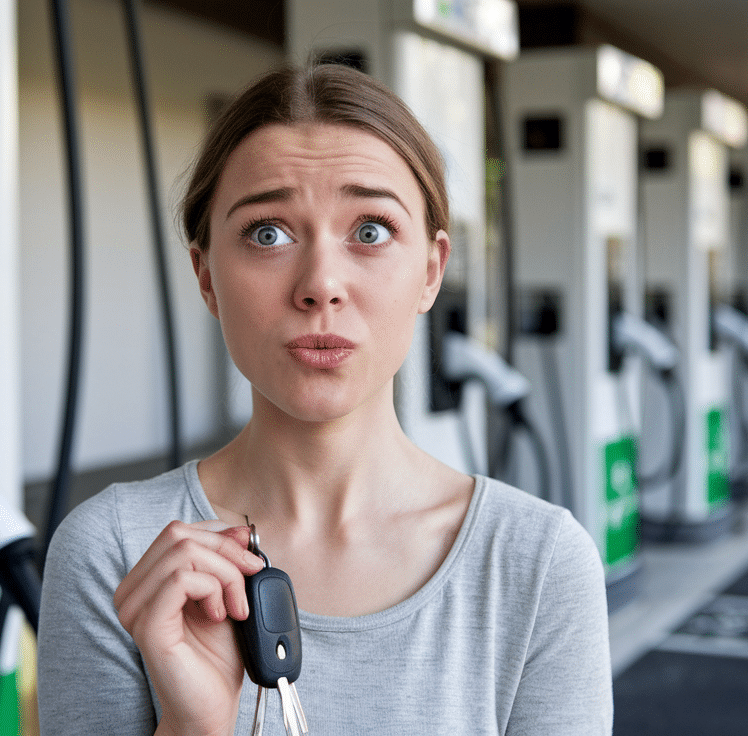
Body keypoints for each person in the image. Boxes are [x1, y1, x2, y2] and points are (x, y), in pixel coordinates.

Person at [37, 63, 612, 735]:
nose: (320, 285)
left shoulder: (537, 564)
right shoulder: (117, 553)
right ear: (206, 277)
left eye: (369, 231)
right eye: (267, 233)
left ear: (430, 271)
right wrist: (193, 726)